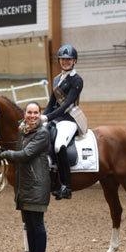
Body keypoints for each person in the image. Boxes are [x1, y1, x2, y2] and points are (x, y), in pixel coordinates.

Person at [0, 102, 51, 252]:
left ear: (39, 114)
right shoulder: (23, 131)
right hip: (25, 184)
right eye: (29, 112)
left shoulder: (42, 133)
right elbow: (18, 152)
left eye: (36, 113)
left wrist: (5, 153)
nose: (32, 115)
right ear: (25, 114)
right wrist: (2, 151)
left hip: (36, 185)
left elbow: (26, 154)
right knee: (29, 223)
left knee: (37, 224)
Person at [42, 44, 86, 200]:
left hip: (69, 119)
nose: (65, 62)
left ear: (74, 61)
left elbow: (66, 105)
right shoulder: (56, 80)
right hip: (55, 118)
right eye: (63, 59)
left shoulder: (77, 80)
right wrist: (40, 117)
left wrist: (47, 118)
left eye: (69, 59)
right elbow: (50, 104)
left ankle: (66, 186)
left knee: (59, 145)